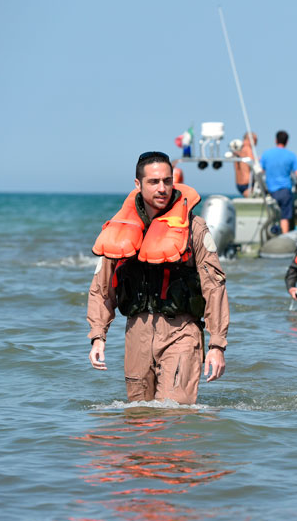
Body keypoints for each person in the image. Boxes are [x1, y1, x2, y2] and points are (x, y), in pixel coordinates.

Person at [87, 151, 229, 404]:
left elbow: (214, 286)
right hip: (136, 335)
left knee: (173, 415)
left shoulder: (194, 228)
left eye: (167, 180)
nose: (162, 188)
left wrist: (217, 345)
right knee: (140, 419)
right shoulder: (119, 231)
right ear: (138, 184)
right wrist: (98, 336)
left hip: (181, 332)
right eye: (154, 182)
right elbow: (101, 289)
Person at [260, 130, 297, 233]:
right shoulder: (291, 155)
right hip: (285, 191)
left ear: (275, 140)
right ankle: (284, 239)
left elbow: (260, 171)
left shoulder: (266, 154)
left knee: (272, 215)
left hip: (270, 191)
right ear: (287, 141)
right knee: (285, 217)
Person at [233, 132, 257, 197]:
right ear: (251, 140)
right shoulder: (247, 148)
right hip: (247, 184)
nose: (256, 143)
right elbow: (253, 163)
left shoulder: (238, 150)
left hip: (239, 183)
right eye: (256, 140)